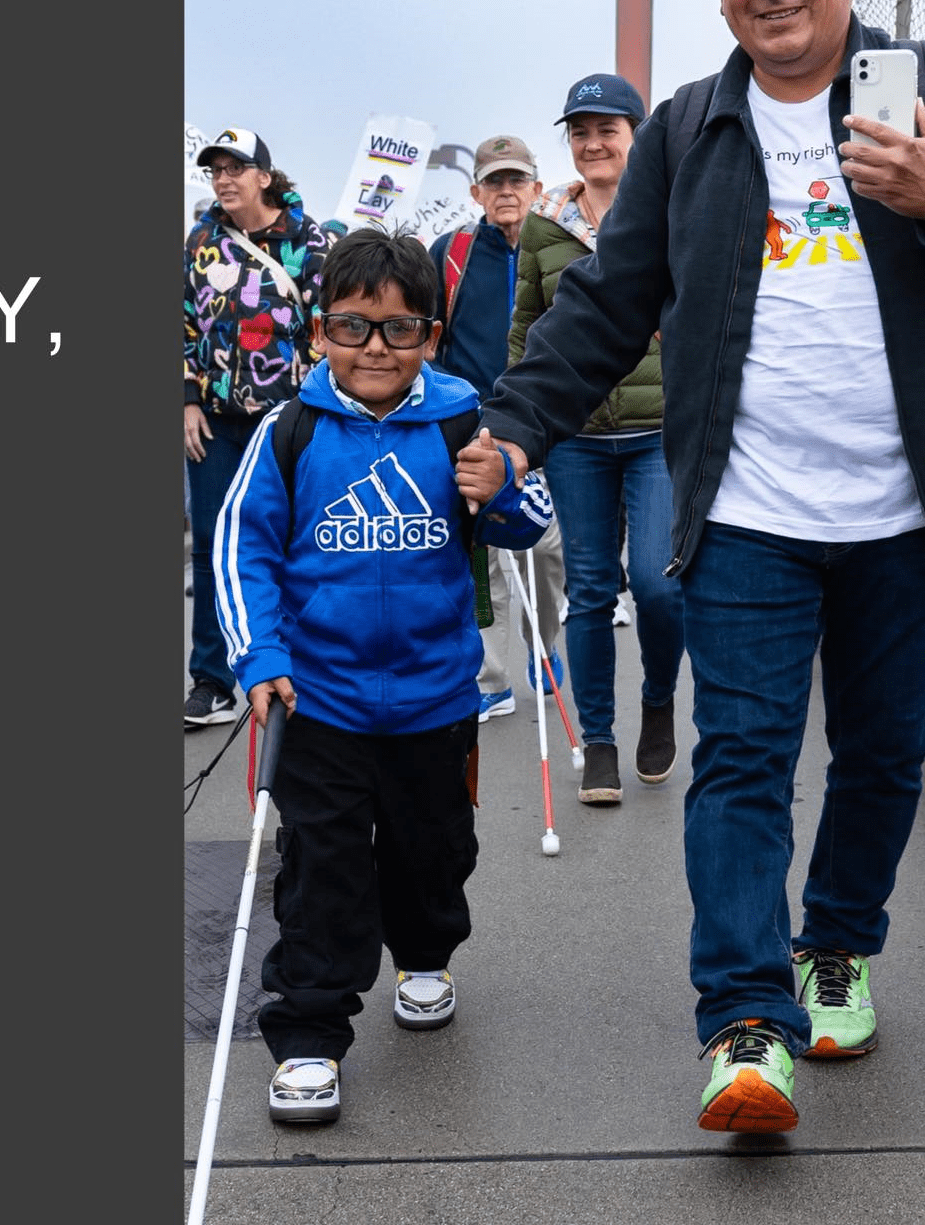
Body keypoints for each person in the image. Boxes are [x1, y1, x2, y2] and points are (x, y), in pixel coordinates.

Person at [457, 0, 925, 1134]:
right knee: (740, 761)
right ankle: (742, 1024)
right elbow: (610, 302)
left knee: (883, 754)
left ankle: (833, 948)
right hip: (745, 511)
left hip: (909, 513)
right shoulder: (686, 129)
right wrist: (512, 427)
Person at [215, 229, 553, 1125]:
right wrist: (261, 655)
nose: (375, 349)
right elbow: (240, 546)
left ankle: (425, 951)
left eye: (399, 331)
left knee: (432, 855)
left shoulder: (458, 416)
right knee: (322, 868)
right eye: (353, 328)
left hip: (436, 699)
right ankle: (310, 1034)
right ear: (320, 333)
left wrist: (506, 481)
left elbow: (526, 528)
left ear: (431, 338)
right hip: (317, 699)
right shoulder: (289, 430)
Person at [508, 72, 685, 807]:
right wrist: (518, 428)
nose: (592, 143)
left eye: (607, 129)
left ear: (636, 136)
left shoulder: (669, 210)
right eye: (579, 132)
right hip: (577, 436)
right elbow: (525, 331)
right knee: (587, 592)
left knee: (656, 584)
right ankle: (602, 741)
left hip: (656, 432)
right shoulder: (543, 226)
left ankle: (658, 701)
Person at [183, 127, 333, 729]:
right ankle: (212, 679)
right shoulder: (199, 243)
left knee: (294, 540)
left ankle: (296, 664)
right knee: (211, 547)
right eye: (215, 169)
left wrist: (319, 409)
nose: (223, 179)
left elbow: (327, 329)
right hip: (215, 421)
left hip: (287, 420)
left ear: (265, 178)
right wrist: (186, 400)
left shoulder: (310, 243)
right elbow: (185, 327)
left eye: (236, 168)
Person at [429, 135, 566, 724]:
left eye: (517, 181)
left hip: (548, 416)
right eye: (494, 182)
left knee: (547, 544)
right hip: (476, 421)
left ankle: (545, 642)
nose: (506, 192)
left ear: (537, 187)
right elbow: (429, 332)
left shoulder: (560, 245)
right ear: (475, 191)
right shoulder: (451, 251)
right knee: (480, 552)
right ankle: (489, 678)